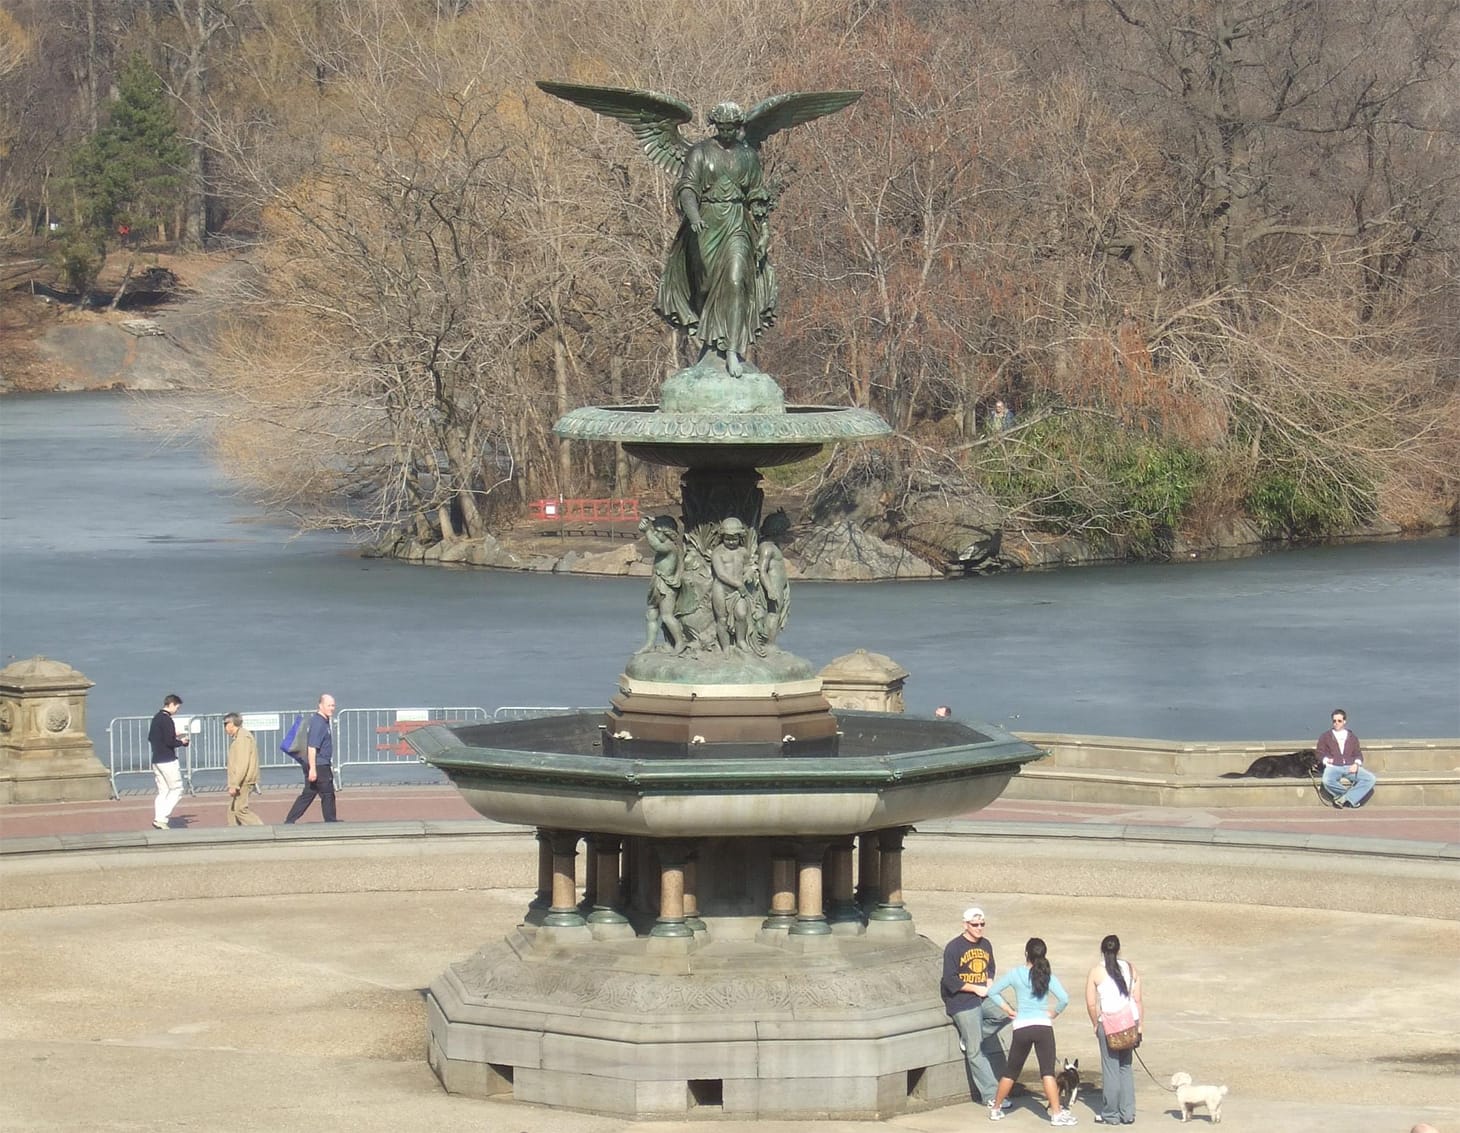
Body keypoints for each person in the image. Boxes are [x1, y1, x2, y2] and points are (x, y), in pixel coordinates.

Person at [655, 101, 778, 377]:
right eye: (722, 127)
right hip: (706, 223)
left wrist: (764, 230)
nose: (726, 132)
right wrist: (694, 216)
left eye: (731, 128)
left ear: (738, 126)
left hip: (737, 223)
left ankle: (732, 349)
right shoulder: (700, 152)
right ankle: (711, 345)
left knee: (735, 281)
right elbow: (687, 187)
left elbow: (756, 194)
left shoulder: (747, 156)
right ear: (715, 125)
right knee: (706, 285)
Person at [984, 937, 1076, 1126]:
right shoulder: (1046, 974)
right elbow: (1064, 998)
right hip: (1042, 1026)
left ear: (1026, 953)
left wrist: (1008, 1010)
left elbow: (992, 992)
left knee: (1011, 1071)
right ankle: (1056, 1114)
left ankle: (996, 1108)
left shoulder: (1016, 973)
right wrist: (1054, 1013)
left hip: (1021, 1026)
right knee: (1047, 1072)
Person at [941, 906, 1011, 1110]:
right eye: (975, 924)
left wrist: (989, 982)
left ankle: (971, 1036)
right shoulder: (954, 948)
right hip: (962, 1000)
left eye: (982, 924)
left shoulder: (986, 944)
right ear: (965, 925)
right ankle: (991, 1095)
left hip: (983, 996)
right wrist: (975, 988)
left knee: (1005, 1014)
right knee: (975, 1052)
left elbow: (990, 968)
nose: (979, 928)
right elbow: (949, 980)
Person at [1085, 934, 1142, 1125]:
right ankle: (1128, 1113)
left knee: (1111, 1070)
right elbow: (1138, 1000)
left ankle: (1111, 1114)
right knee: (1126, 1067)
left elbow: (1091, 1004)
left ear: (1102, 950)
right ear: (1118, 950)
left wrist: (1095, 1023)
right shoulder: (1131, 968)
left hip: (1108, 1024)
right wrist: (1140, 1026)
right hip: (1129, 1023)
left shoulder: (1096, 972)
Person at [284, 693, 338, 824]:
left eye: (333, 705)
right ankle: (331, 821)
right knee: (328, 794)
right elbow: (312, 747)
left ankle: (290, 820)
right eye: (329, 705)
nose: (332, 708)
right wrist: (312, 769)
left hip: (318, 764)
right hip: (319, 765)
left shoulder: (322, 721)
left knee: (309, 793)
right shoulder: (318, 723)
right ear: (320, 705)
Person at [1317, 708, 1377, 807]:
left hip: (1350, 766)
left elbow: (1358, 754)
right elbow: (1319, 753)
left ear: (1344, 721)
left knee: (1370, 779)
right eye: (1334, 721)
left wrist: (1356, 764)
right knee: (1326, 781)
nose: (1336, 723)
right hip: (1333, 767)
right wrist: (1327, 760)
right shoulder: (1325, 736)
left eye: (1339, 721)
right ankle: (1348, 797)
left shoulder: (1352, 737)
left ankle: (1344, 798)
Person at [147, 693, 189, 830]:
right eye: (177, 707)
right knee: (177, 789)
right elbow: (169, 742)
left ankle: (158, 818)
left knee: (163, 790)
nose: (177, 710)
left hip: (156, 759)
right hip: (168, 760)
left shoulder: (156, 718)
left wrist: (172, 736)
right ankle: (162, 817)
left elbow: (152, 737)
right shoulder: (167, 720)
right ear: (171, 704)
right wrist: (182, 742)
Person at [222, 712, 264, 827]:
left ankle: (262, 830)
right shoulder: (240, 737)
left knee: (240, 810)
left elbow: (242, 764)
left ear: (231, 724)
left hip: (244, 781)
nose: (224, 728)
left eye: (225, 724)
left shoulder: (242, 738)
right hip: (242, 780)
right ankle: (234, 833)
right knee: (232, 810)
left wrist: (234, 784)